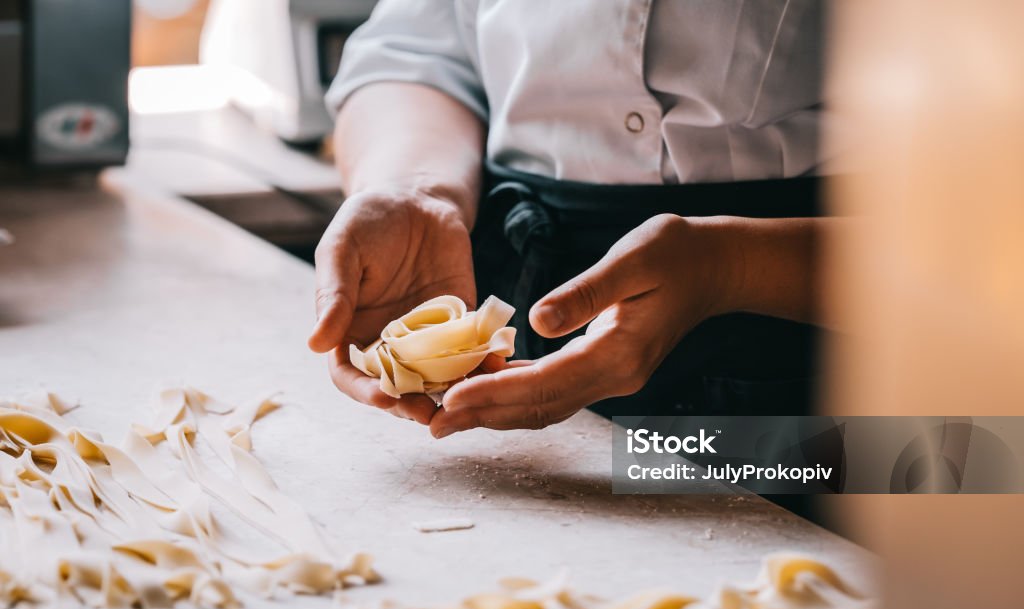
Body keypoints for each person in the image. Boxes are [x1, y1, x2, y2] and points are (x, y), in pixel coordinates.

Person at [308, 0, 842, 439]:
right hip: (519, 286)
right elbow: (416, 50)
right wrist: (416, 188)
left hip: (830, 333)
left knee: (841, 552)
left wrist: (735, 267)